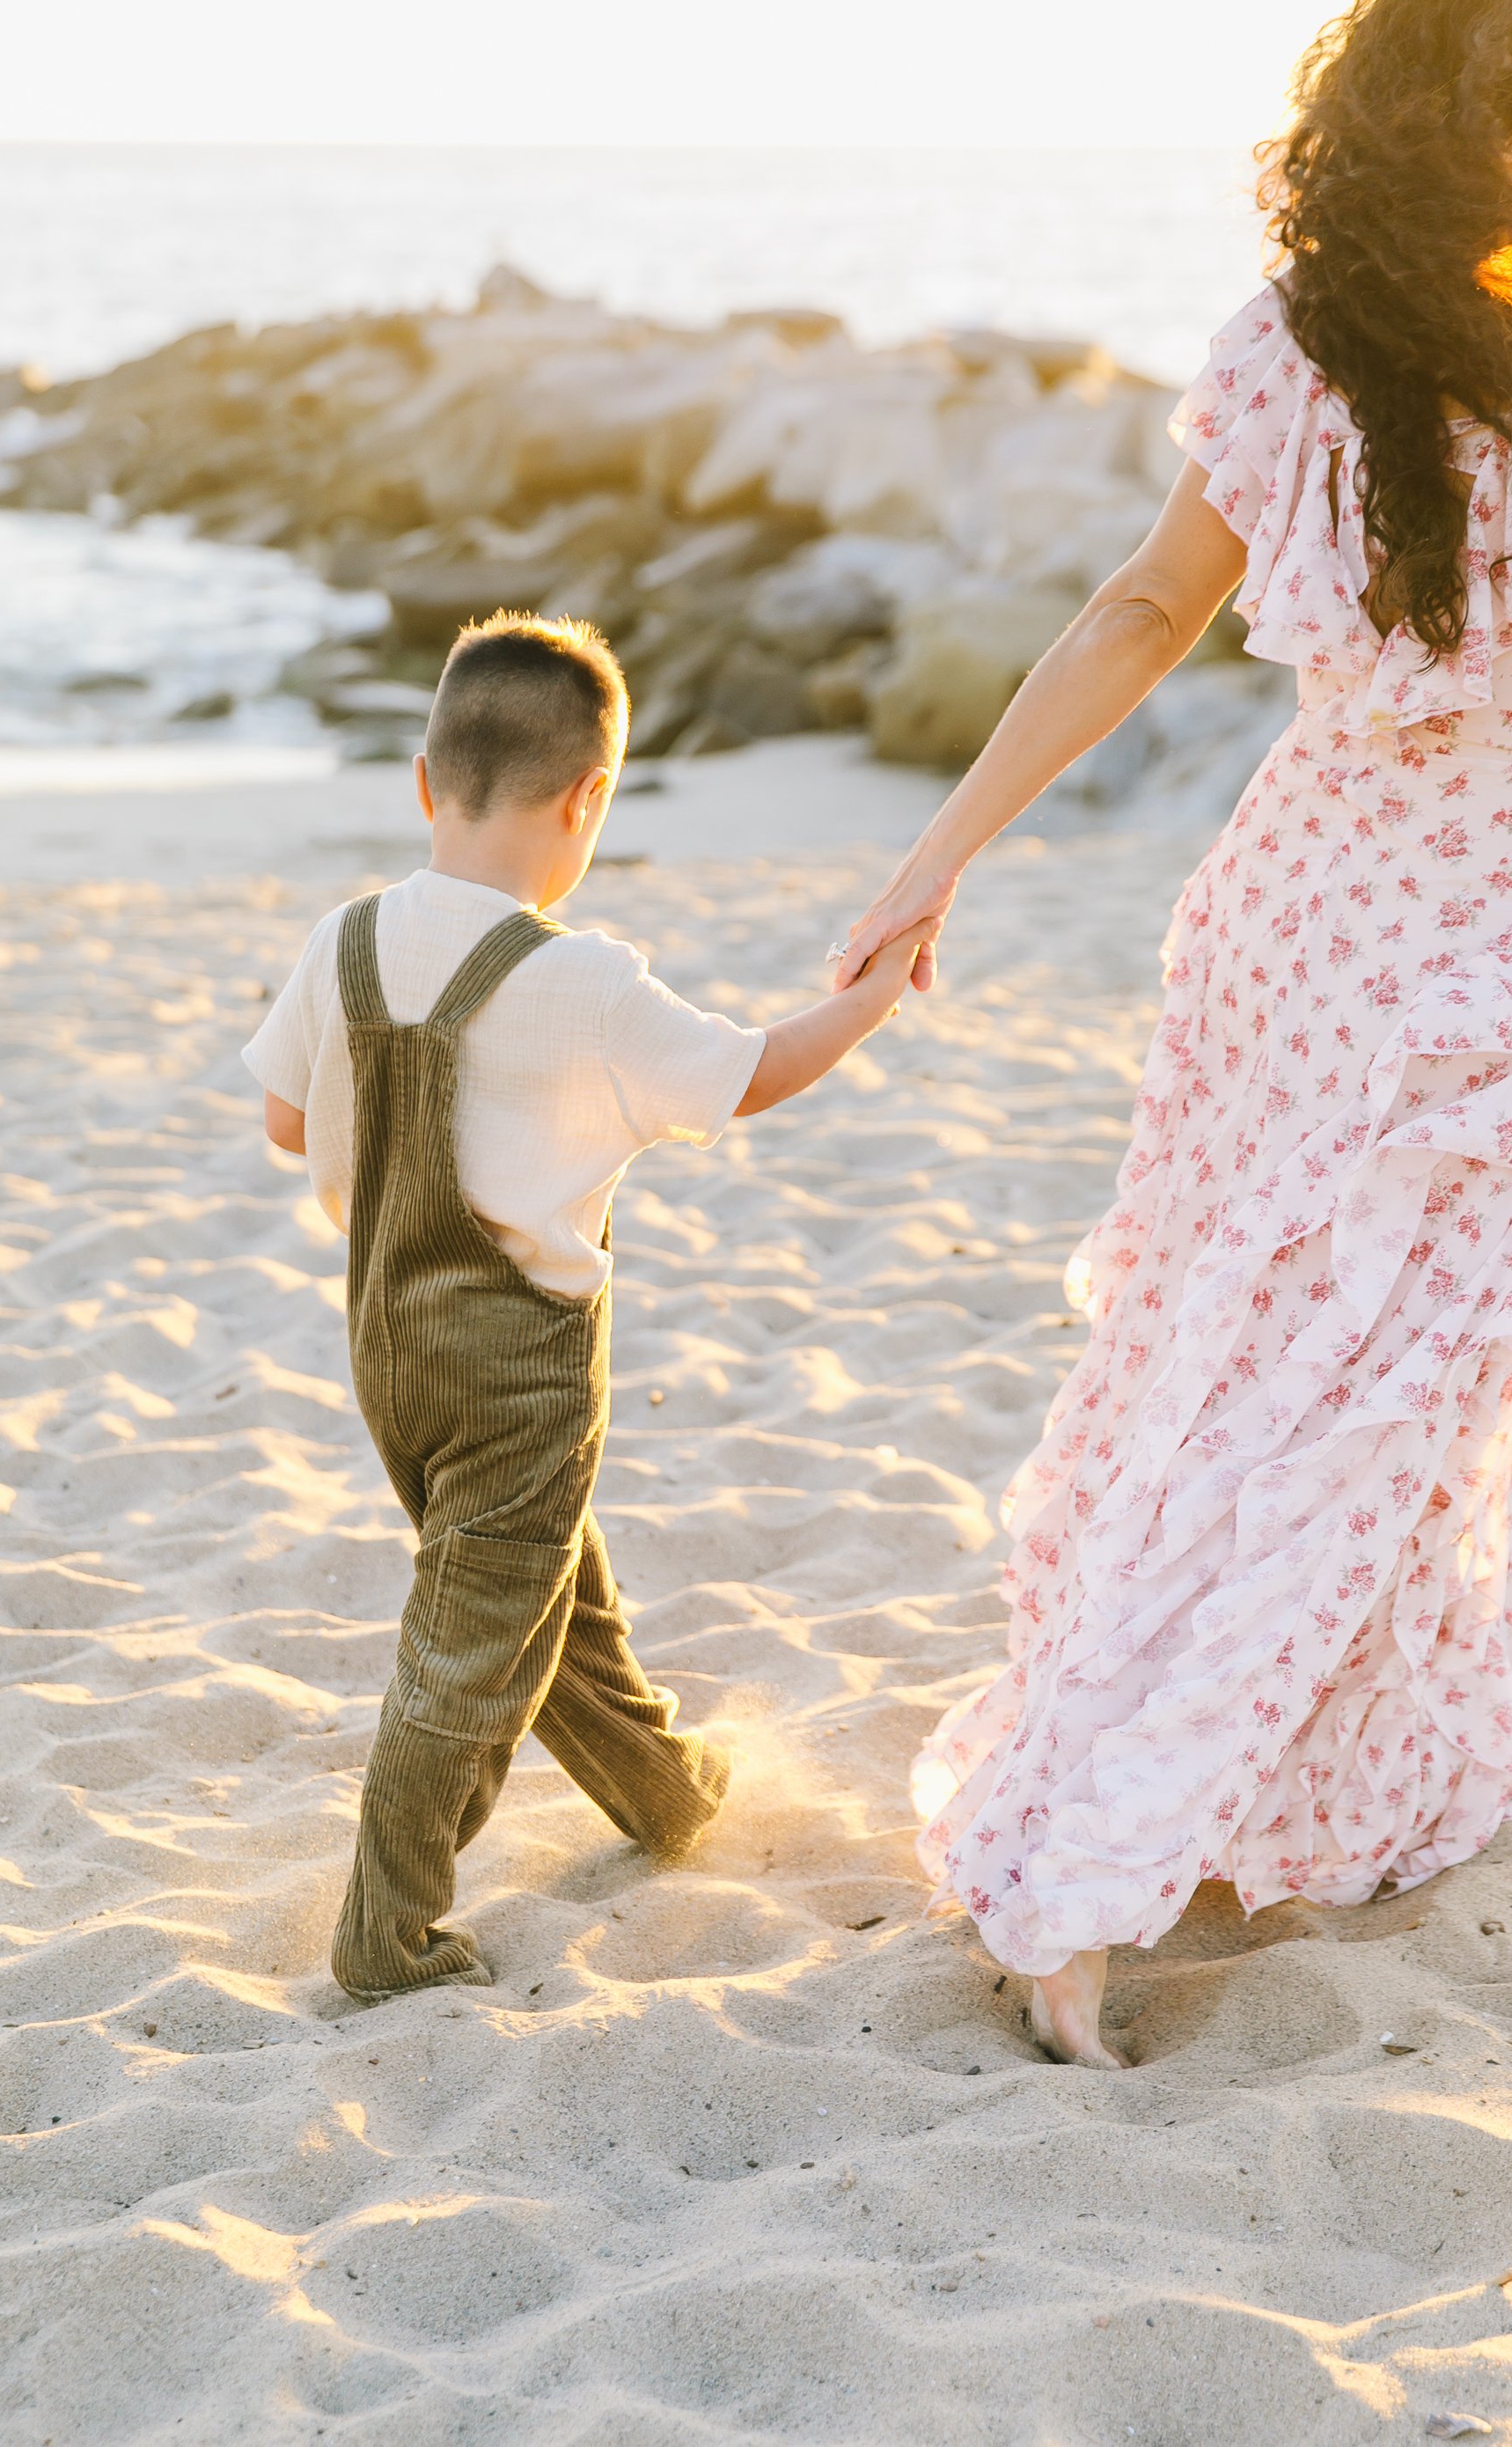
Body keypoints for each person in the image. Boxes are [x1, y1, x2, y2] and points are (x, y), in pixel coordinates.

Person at [834, 0, 1512, 2069]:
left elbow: (1144, 612)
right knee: (1333, 1389)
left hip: (1368, 923)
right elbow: (1142, 606)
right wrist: (933, 849)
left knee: (1338, 1388)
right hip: (1413, 950)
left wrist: (939, 845)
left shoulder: (1333, 333)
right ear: (1484, 92)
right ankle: (1084, 1864)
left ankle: (1249, 1783)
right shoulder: (1354, 348)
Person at [245, 611, 932, 1997]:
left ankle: (664, 1790)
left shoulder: (347, 942)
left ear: (427, 782)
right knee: (468, 1656)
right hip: (523, 1370)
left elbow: (281, 1121)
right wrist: (867, 1001)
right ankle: (386, 1935)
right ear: (590, 800)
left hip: (386, 1345)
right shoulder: (582, 980)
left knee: (548, 1589)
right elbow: (750, 1072)